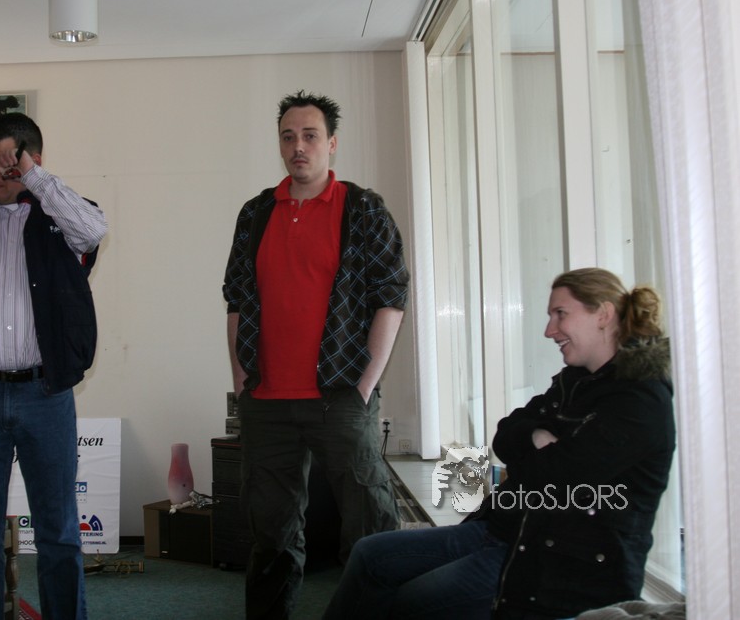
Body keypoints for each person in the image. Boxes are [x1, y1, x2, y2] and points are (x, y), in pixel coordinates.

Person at [322, 268, 676, 620]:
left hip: (557, 562)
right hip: (506, 529)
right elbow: (505, 435)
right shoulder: (574, 382)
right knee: (371, 555)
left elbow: (552, 477)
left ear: (603, 314)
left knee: (413, 600)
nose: (549, 330)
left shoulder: (640, 402)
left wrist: (533, 450)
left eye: (560, 314)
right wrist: (536, 438)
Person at [222, 90, 410, 618]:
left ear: (331, 143)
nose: (298, 146)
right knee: (271, 536)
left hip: (340, 396)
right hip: (267, 401)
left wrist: (365, 384)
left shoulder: (363, 209)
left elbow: (391, 296)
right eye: (288, 137)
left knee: (370, 526)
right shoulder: (256, 212)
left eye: (309, 136)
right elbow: (236, 298)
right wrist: (241, 380)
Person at [0, 112, 106, 620]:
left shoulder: (61, 222)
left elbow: (95, 229)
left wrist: (33, 178)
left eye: (5, 161)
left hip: (46, 394)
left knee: (58, 530)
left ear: (30, 160)